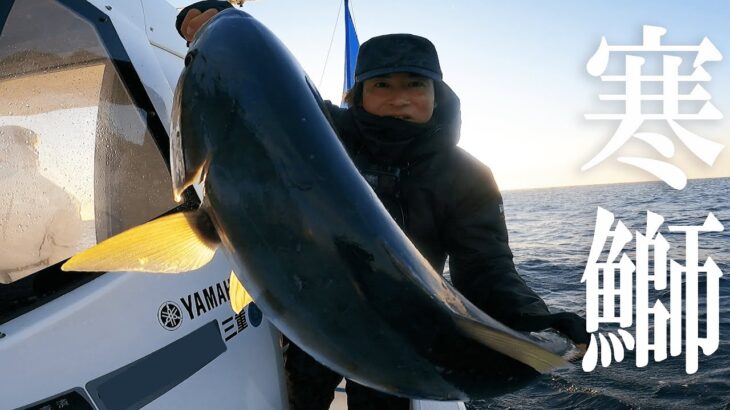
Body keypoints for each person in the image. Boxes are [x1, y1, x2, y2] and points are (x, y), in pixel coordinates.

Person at [176, 4, 589, 409]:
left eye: (415, 85)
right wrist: (211, 16)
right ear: (359, 93)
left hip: (401, 327)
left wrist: (535, 322)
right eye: (382, 86)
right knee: (303, 395)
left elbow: (486, 270)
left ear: (437, 94)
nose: (399, 99)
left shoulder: (467, 177)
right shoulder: (321, 133)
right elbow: (260, 92)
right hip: (311, 306)